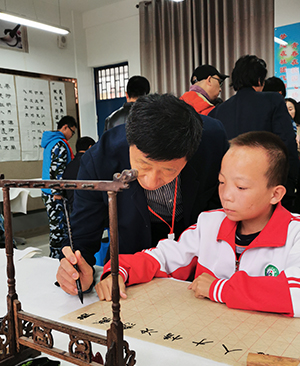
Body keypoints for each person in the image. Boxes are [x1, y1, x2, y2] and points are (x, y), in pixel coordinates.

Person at [98, 131, 300, 318]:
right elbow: (164, 257)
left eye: (241, 187)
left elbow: (295, 294)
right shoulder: (209, 224)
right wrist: (119, 271)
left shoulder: (294, 234)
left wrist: (219, 289)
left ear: (276, 194)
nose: (226, 195)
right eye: (222, 182)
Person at [57, 93, 228, 295]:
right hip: (129, 268)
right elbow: (82, 234)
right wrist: (76, 268)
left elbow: (223, 208)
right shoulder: (100, 160)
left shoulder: (211, 143)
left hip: (195, 268)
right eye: (143, 166)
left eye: (168, 171)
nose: (151, 181)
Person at [209, 55, 299, 211]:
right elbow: (287, 143)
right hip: (266, 188)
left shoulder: (217, 111)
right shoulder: (273, 100)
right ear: (259, 80)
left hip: (230, 191)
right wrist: (291, 182)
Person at [41, 115, 77, 258]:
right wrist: (57, 192)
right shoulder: (59, 144)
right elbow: (57, 170)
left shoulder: (50, 142)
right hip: (54, 194)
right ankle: (56, 259)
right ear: (65, 127)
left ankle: (56, 257)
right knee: (59, 229)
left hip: (48, 191)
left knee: (56, 227)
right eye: (72, 132)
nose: (71, 136)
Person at [62, 136, 95, 212]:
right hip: (91, 209)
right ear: (90, 147)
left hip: (74, 209)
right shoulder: (91, 164)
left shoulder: (69, 166)